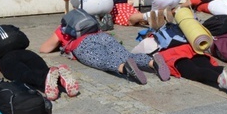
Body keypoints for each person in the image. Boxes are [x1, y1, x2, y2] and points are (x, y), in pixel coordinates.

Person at [39, 25, 170, 85]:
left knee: (102, 59)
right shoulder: (90, 21)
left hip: (82, 44)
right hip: (103, 36)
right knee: (126, 55)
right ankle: (152, 62)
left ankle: (124, 68)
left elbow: (44, 49)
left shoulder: (63, 28)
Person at [0, 39, 77, 100]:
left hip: (7, 59)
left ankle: (46, 81)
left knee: (24, 74)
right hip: (27, 54)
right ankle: (60, 79)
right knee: (43, 71)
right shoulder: (12, 40)